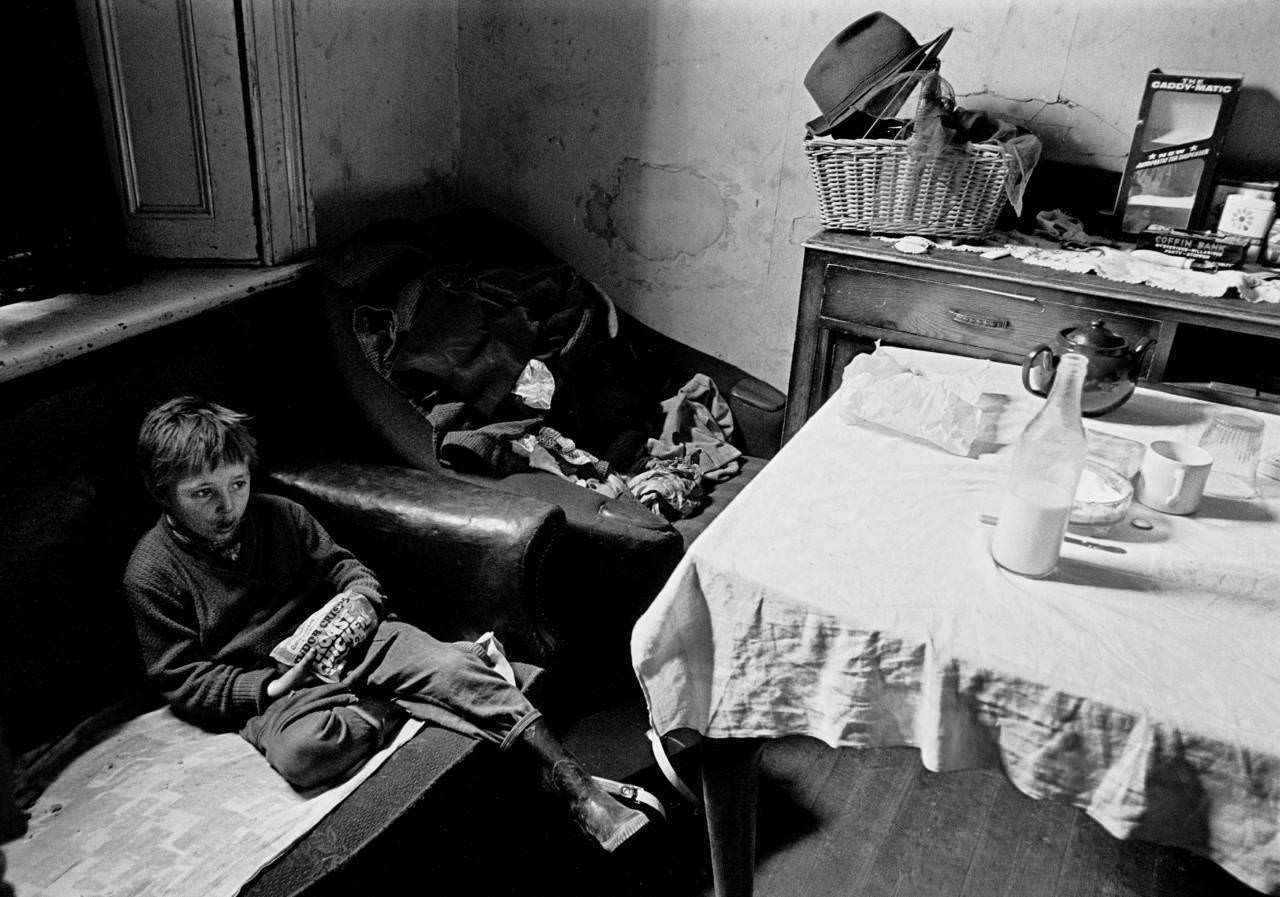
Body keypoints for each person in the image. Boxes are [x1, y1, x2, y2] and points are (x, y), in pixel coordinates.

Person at [123, 396, 650, 854]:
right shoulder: (152, 572)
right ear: (163, 492)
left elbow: (346, 568)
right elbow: (179, 677)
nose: (227, 505)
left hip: (356, 640)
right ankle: (394, 704)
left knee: (451, 668)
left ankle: (576, 785)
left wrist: (360, 598)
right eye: (202, 493)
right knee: (303, 754)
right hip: (279, 686)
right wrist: (267, 686)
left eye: (237, 483)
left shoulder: (280, 515)